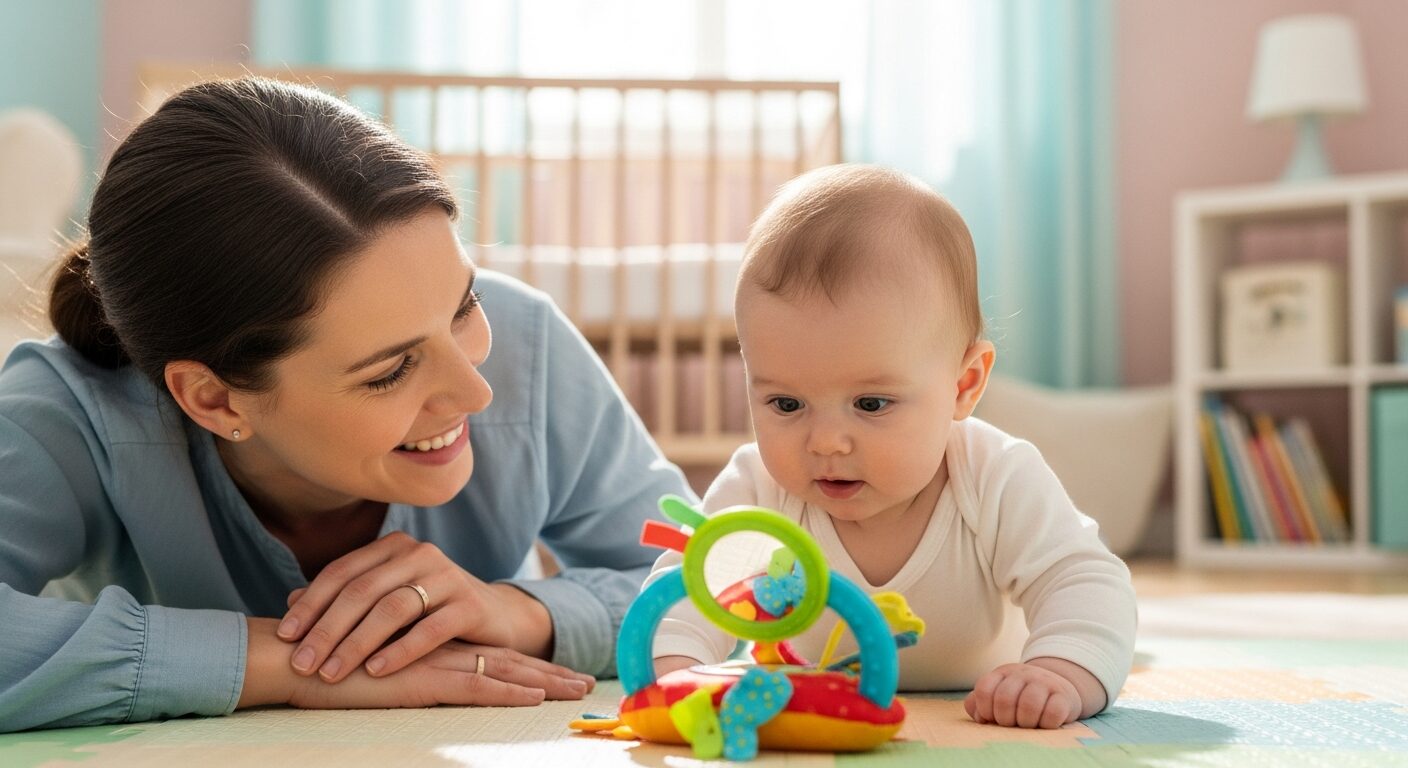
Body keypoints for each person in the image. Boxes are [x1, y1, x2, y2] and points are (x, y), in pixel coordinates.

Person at [0, 77, 694, 732]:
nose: (476, 391)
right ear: (212, 399)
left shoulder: (529, 344)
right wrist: (286, 665)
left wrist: (518, 612)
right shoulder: (68, 410)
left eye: (463, 306)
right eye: (390, 371)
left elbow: (727, 578)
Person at [646, 164, 1137, 730]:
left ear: (964, 385)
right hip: (820, 704)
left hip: (977, 704)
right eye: (786, 404)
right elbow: (685, 592)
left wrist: (1059, 671)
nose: (826, 442)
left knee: (1086, 629)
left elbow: (1083, 579)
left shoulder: (994, 474)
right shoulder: (758, 489)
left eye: (872, 404)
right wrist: (674, 673)